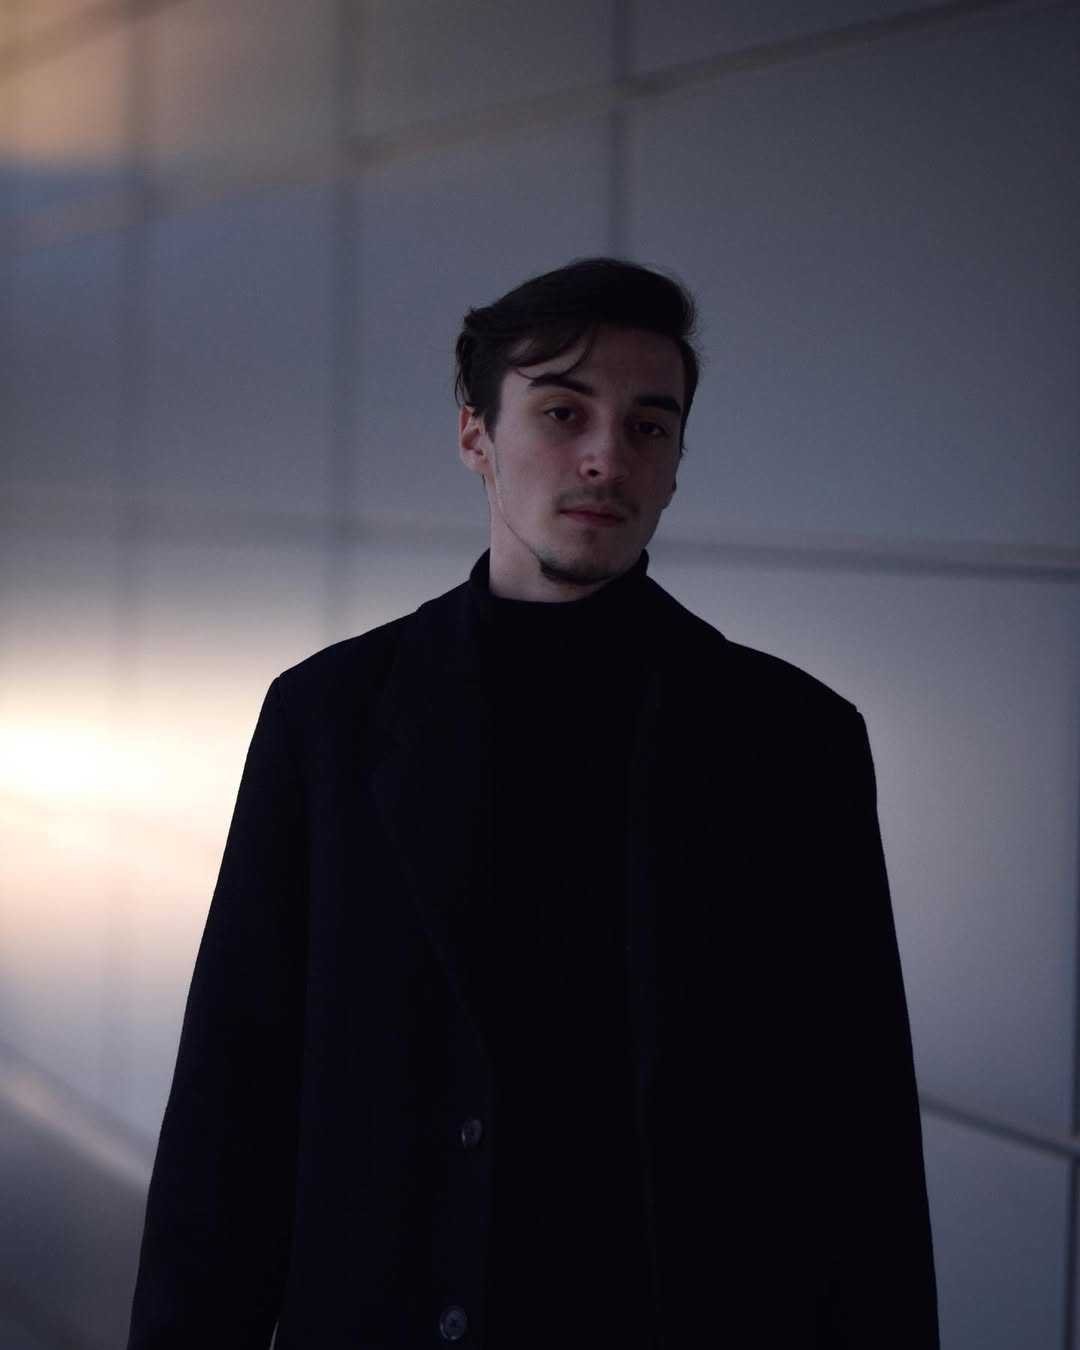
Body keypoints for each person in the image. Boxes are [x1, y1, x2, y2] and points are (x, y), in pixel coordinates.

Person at [126, 257, 939, 1348]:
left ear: (676, 464)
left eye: (649, 427)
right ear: (476, 435)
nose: (608, 456)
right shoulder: (330, 718)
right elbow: (233, 1104)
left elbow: (859, 1144)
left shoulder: (792, 742)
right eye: (564, 412)